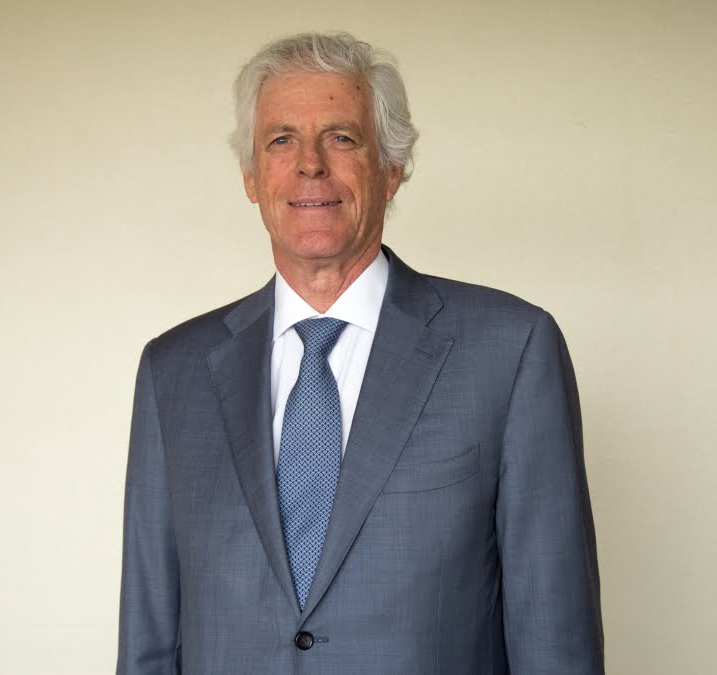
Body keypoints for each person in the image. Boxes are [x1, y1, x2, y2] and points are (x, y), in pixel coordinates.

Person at [117, 32, 604, 674]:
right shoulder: (173, 370)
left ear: (391, 168)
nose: (310, 165)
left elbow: (554, 635)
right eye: (280, 140)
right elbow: (149, 637)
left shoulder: (511, 350)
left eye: (341, 137)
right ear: (251, 177)